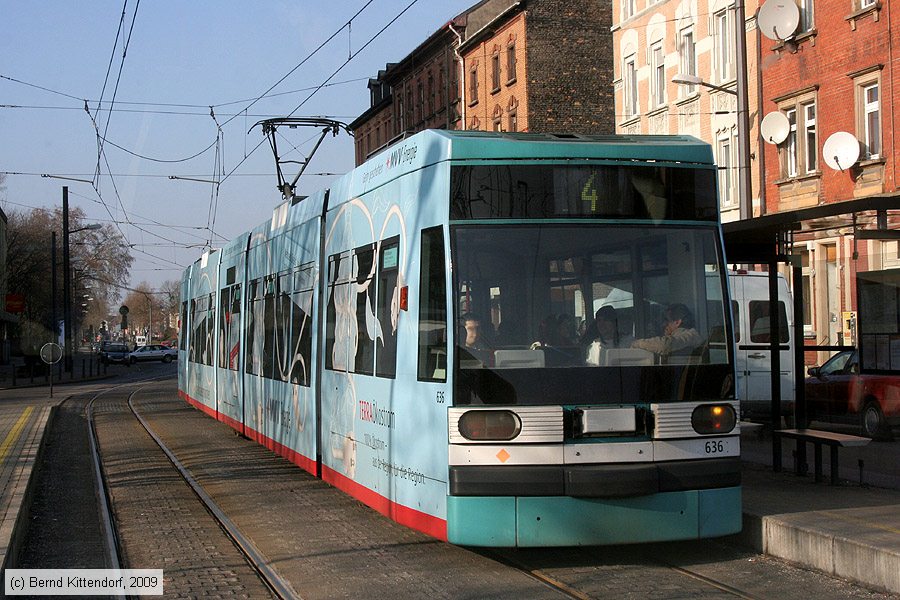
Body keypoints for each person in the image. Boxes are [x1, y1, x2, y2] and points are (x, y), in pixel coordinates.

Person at [631, 303, 701, 358]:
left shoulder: (693, 335)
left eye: (667, 320)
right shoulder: (682, 336)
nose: (663, 324)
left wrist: (637, 343)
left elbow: (664, 345)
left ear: (677, 322)